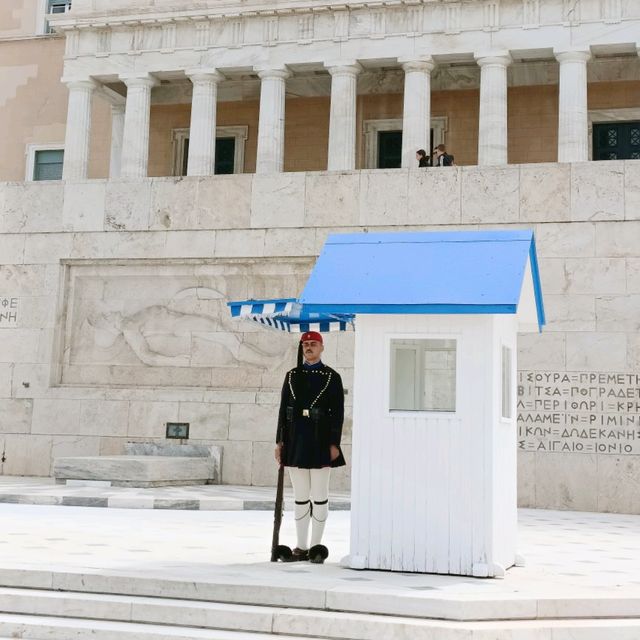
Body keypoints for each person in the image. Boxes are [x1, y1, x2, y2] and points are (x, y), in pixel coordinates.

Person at [275, 331, 345, 564]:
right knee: (300, 496)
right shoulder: (292, 375)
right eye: (305, 344)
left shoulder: (331, 377)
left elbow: (338, 414)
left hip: (320, 440)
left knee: (320, 495)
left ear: (322, 347)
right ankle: (301, 546)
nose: (309, 347)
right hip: (296, 441)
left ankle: (316, 545)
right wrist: (280, 442)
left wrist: (334, 443)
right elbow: (283, 411)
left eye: (313, 344)